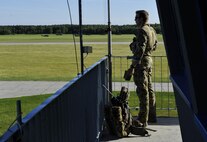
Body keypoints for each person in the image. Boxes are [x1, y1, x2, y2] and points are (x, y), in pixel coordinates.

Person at [128, 10, 158, 127]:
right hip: (149, 60)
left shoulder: (141, 31)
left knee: (142, 91)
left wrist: (132, 67)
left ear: (141, 19)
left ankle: (142, 120)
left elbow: (139, 51)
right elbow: (155, 46)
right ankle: (152, 117)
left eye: (136, 18)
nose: (135, 20)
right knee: (149, 89)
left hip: (142, 63)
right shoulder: (151, 30)